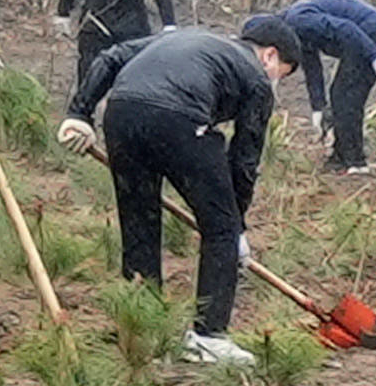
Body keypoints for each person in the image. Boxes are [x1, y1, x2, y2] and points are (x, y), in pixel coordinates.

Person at [59, 24, 290, 366]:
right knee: (220, 228)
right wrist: (235, 227)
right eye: (281, 74)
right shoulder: (256, 77)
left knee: (140, 221)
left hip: (121, 113)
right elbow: (244, 159)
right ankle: (209, 336)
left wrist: (80, 113)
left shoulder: (182, 38)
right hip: (178, 119)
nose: (275, 82)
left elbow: (111, 57)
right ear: (270, 54)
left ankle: (142, 328)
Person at [249, 0, 376, 173]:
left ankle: (354, 162)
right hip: (363, 39)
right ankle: (342, 156)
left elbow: (346, 28)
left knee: (345, 95)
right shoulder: (296, 35)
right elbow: (312, 69)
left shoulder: (300, 21)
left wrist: (374, 57)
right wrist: (317, 107)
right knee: (342, 93)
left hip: (375, 33)